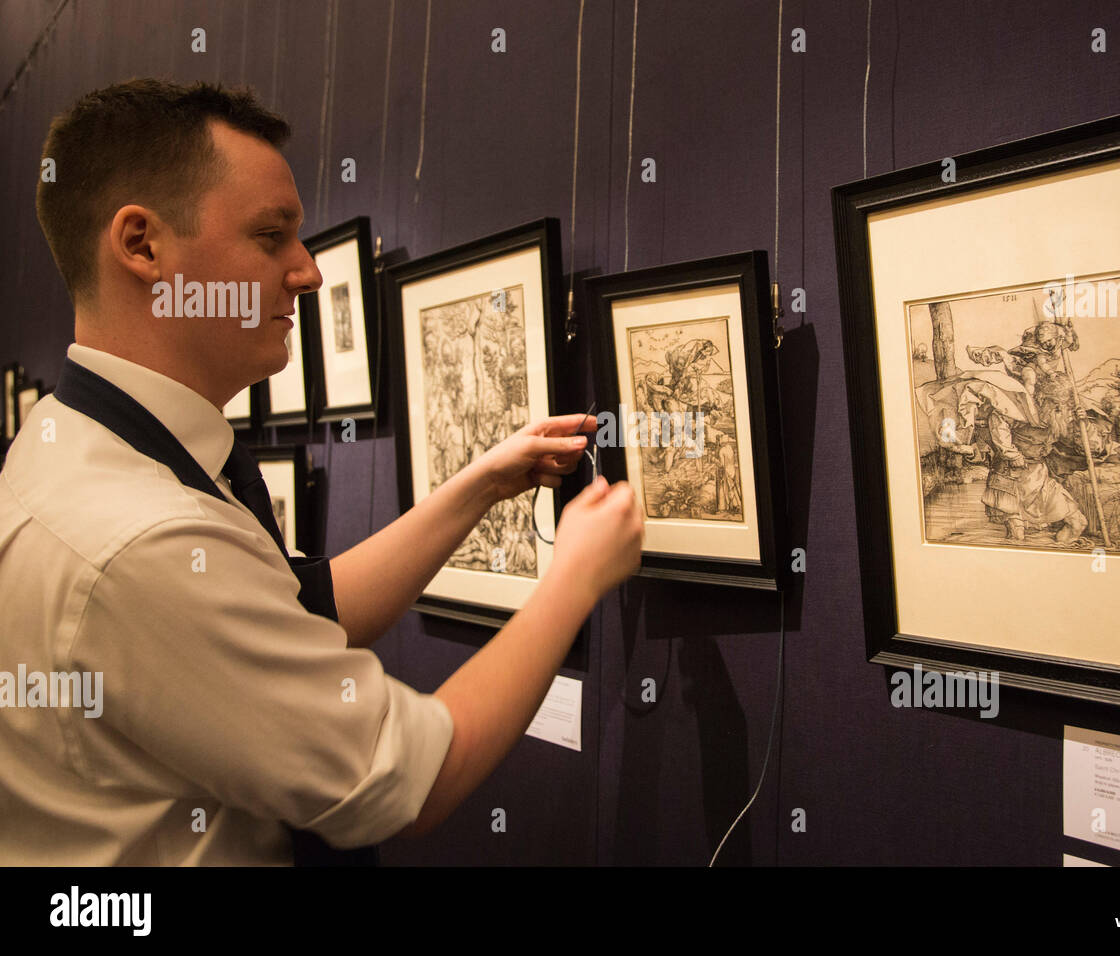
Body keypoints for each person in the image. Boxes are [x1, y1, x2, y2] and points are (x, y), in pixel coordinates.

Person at [0, 79, 643, 865]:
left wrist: (480, 482)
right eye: (271, 236)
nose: (307, 272)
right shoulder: (140, 541)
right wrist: (573, 579)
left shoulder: (68, 440)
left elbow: (302, 613)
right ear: (142, 246)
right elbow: (415, 779)